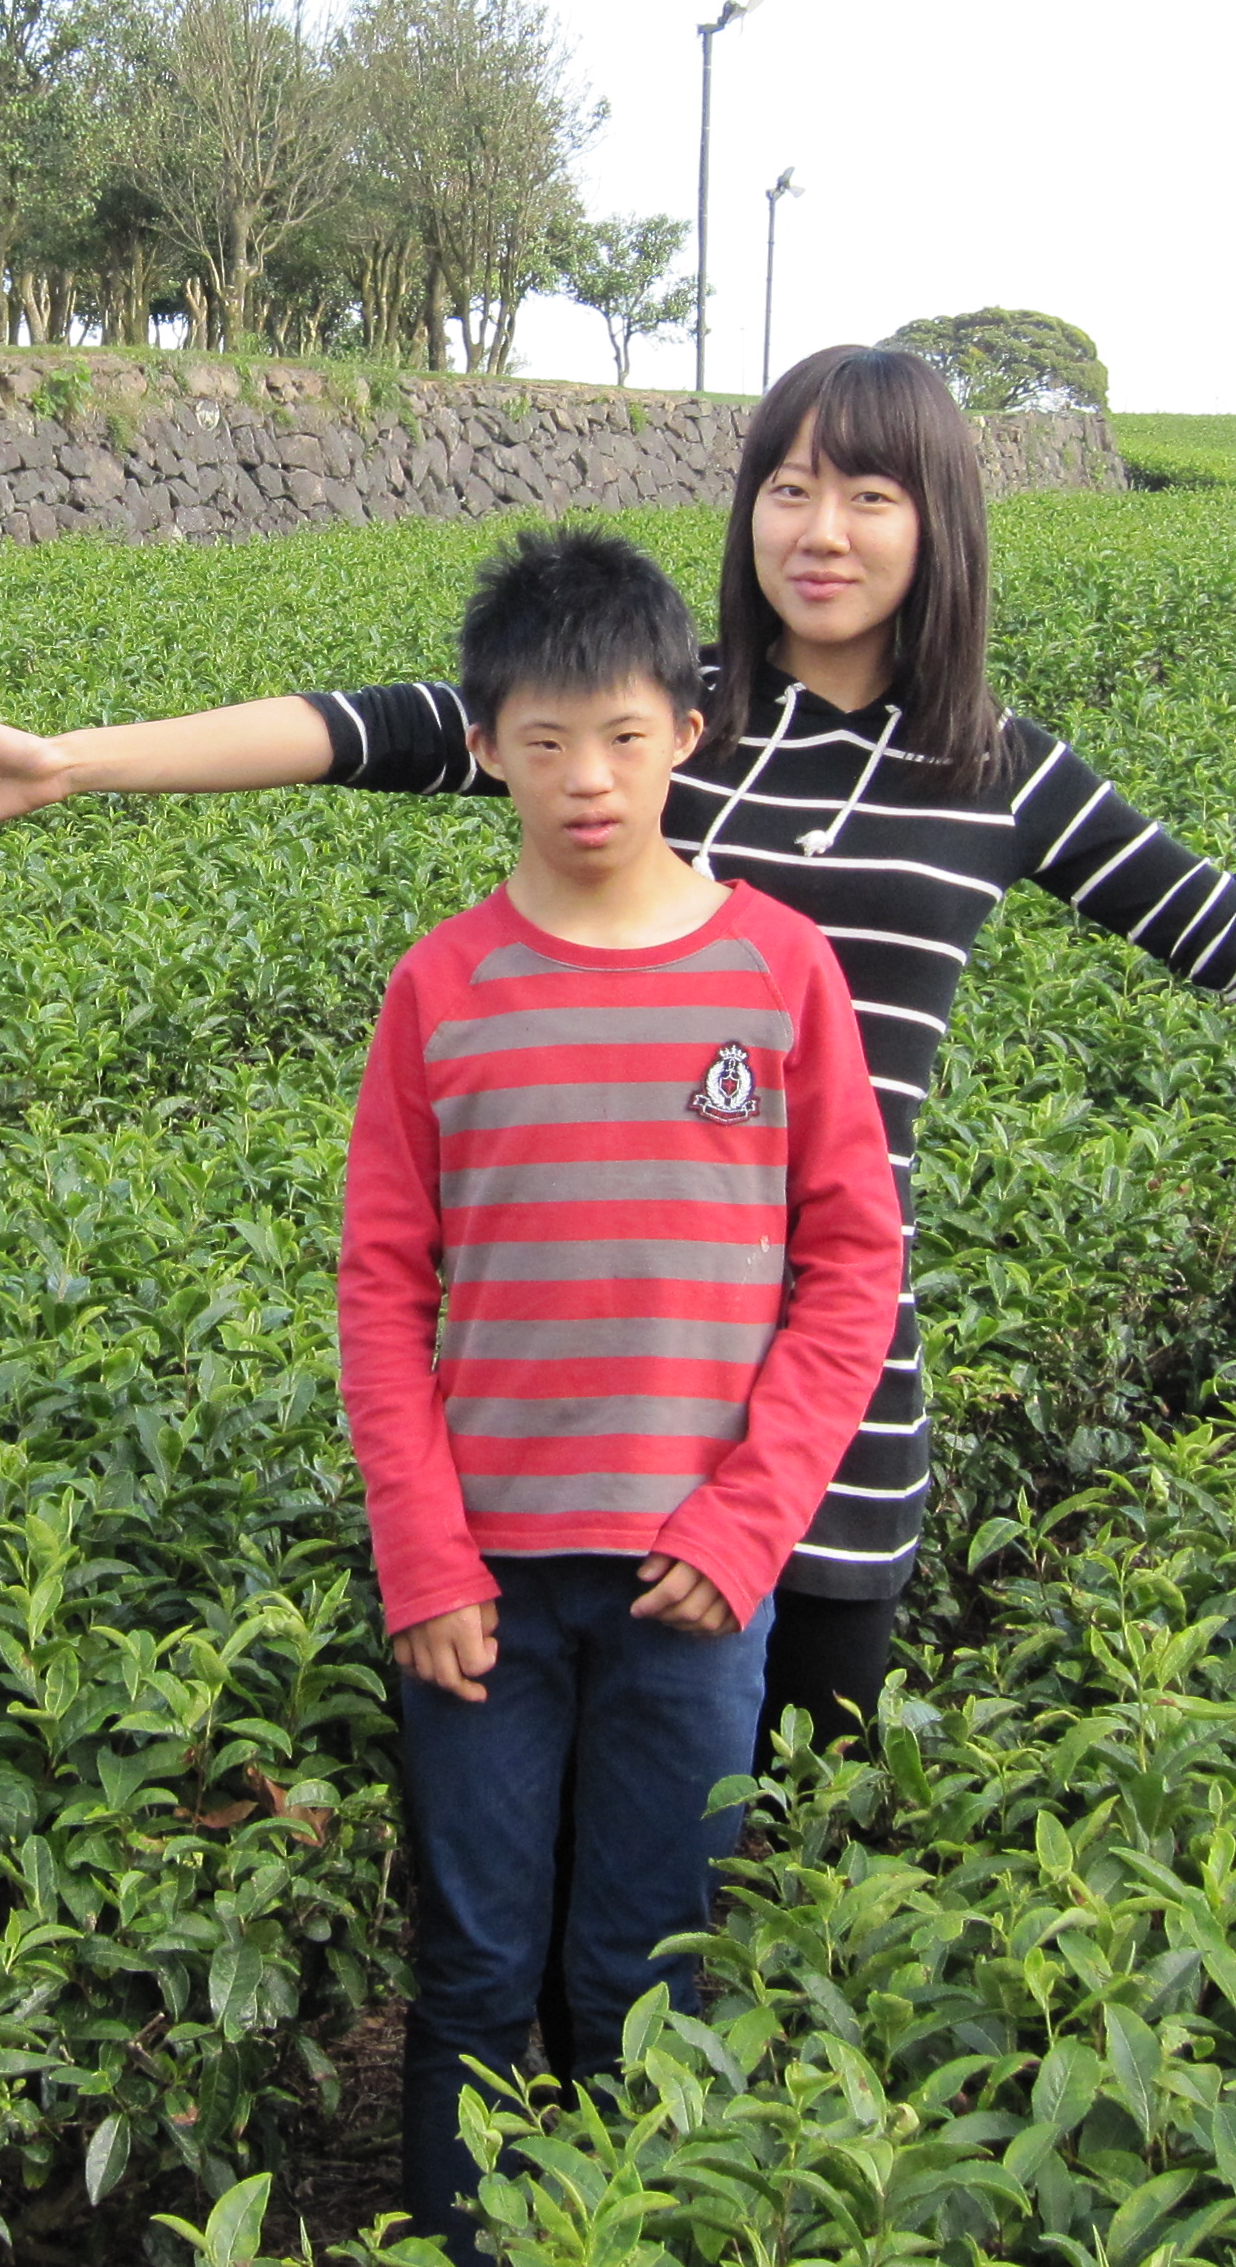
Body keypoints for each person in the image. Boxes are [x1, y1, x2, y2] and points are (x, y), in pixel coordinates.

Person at [0, 341, 1236, 1758]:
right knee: (546, 1857)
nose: (821, 530)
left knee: (772, 1841)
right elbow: (366, 726)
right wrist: (78, 760)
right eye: (790, 488)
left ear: (937, 526)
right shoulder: (659, 720)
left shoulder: (999, 778)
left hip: (824, 1408)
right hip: (591, 1405)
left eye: (870, 497)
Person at [339, 527, 902, 2263]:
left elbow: (850, 1267)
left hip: (693, 1583)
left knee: (645, 1959)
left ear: (689, 733)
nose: (590, 779)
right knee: (478, 1962)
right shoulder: (440, 986)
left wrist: (750, 1525)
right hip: (482, 1596)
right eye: (547, 740)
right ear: (488, 744)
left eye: (628, 736)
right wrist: (425, 1560)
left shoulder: (781, 971)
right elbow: (381, 1288)